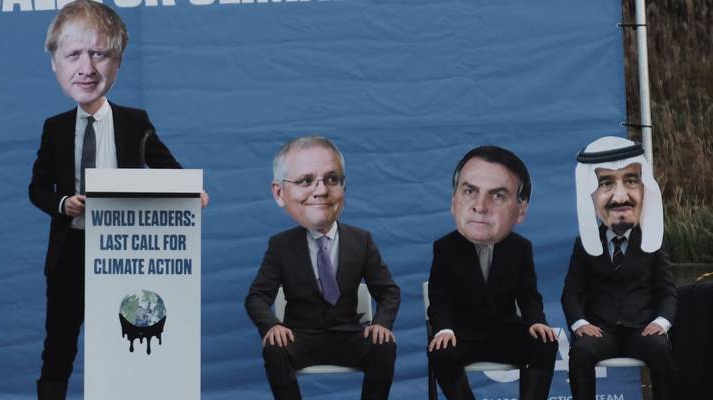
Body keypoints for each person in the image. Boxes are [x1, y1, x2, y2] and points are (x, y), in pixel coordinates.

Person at [28, 1, 207, 397]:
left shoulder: (134, 122)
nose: (87, 67)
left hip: (123, 251)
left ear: (118, 63)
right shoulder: (55, 129)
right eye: (74, 54)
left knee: (124, 341)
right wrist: (62, 203)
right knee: (58, 345)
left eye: (99, 54)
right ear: (55, 63)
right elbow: (37, 188)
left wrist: (190, 191)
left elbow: (169, 169)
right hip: (70, 251)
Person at [244, 136, 400, 400]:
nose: (321, 191)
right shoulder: (281, 245)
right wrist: (271, 326)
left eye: (332, 179)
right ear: (280, 193)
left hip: (348, 335)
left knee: (383, 346)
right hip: (301, 337)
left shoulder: (361, 240)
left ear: (343, 186)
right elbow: (256, 297)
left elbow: (389, 292)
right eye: (306, 181)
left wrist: (382, 323)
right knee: (274, 349)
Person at [426, 146, 558, 400]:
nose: (480, 207)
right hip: (462, 335)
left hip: (504, 332)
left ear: (521, 209)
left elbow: (528, 296)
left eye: (497, 195)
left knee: (545, 344)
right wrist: (444, 330)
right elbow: (439, 299)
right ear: (453, 201)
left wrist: (536, 321)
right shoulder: (445, 248)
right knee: (441, 352)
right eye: (469, 191)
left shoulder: (520, 248)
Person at [562, 136, 676, 400]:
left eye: (631, 181)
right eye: (605, 184)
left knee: (660, 348)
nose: (620, 197)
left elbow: (667, 292)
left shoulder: (653, 242)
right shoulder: (584, 244)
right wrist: (580, 323)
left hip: (641, 330)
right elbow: (571, 293)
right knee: (580, 351)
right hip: (601, 331)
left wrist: (660, 322)